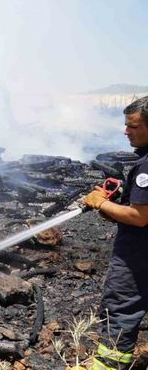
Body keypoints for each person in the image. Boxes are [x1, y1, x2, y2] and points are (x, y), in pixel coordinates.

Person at [83, 95, 148, 370]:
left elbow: (140, 216)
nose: (125, 131)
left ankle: (108, 366)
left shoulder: (147, 166)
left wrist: (103, 203)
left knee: (120, 307)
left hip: (138, 255)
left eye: (132, 126)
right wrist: (115, 201)